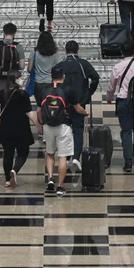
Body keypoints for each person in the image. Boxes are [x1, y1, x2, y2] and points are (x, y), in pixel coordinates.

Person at [106, 43, 134, 172]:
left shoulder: (118, 67)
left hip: (123, 101)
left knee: (126, 131)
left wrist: (109, 98)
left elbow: (111, 86)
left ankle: (128, 161)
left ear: (122, 52)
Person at [40, 66, 83, 195]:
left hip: (48, 125)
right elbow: (77, 108)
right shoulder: (68, 89)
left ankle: (50, 179)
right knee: (62, 156)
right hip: (63, 125)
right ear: (63, 76)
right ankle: (60, 186)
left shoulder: (45, 89)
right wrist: (85, 113)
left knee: (50, 153)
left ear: (51, 76)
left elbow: (39, 109)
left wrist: (41, 124)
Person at [58, 40, 100, 166]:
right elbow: (95, 77)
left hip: (64, 103)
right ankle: (76, 157)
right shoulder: (83, 64)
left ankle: (65, 156)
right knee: (78, 130)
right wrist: (89, 92)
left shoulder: (60, 65)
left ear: (65, 51)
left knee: (65, 130)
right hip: (80, 103)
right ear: (77, 50)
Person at [0, 78, 40, 187]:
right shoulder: (23, 95)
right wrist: (38, 125)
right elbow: (29, 112)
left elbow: (0, 109)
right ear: (17, 81)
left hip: (5, 129)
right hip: (21, 129)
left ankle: (7, 180)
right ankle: (15, 170)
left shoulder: (2, 93)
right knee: (23, 153)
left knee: (7, 153)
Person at [0, 23, 26, 99]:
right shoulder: (18, 46)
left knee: (0, 101)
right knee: (13, 101)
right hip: (13, 79)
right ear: (15, 33)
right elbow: (22, 66)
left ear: (4, 32)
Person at [28, 30, 64, 104]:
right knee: (49, 105)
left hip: (38, 83)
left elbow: (29, 69)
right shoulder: (55, 53)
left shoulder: (34, 52)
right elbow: (61, 66)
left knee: (39, 106)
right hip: (50, 83)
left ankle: (39, 116)